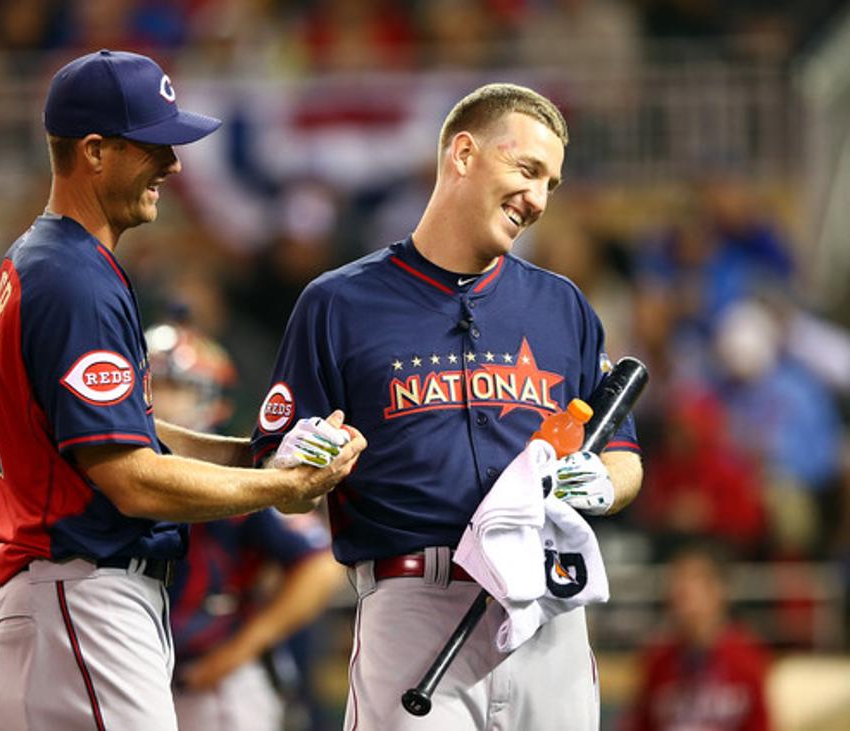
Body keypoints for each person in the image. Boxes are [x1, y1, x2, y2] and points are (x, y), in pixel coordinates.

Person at [0, 49, 366, 731]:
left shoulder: (49, 260)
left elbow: (130, 431)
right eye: (154, 144)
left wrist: (253, 456)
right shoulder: (75, 277)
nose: (175, 162)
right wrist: (282, 489)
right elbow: (131, 478)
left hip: (64, 599)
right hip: (84, 596)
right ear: (95, 151)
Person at [251, 83, 643, 730]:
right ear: (462, 154)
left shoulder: (562, 305)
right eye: (527, 170)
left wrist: (603, 485)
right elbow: (281, 482)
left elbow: (623, 457)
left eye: (551, 182)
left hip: (548, 607)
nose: (539, 199)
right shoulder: (337, 303)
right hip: (413, 607)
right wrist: (294, 465)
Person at [144, 319, 346, 731]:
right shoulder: (109, 460)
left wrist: (238, 651)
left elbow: (321, 565)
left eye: (177, 387)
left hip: (207, 677)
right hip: (135, 668)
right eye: (154, 386)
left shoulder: (233, 474)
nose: (163, 400)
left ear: (215, 401)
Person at [625, 546, 773, 731]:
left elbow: (761, 724)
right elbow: (638, 723)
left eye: (692, 584)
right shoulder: (657, 660)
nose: (681, 594)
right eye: (677, 584)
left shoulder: (747, 657)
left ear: (718, 591)